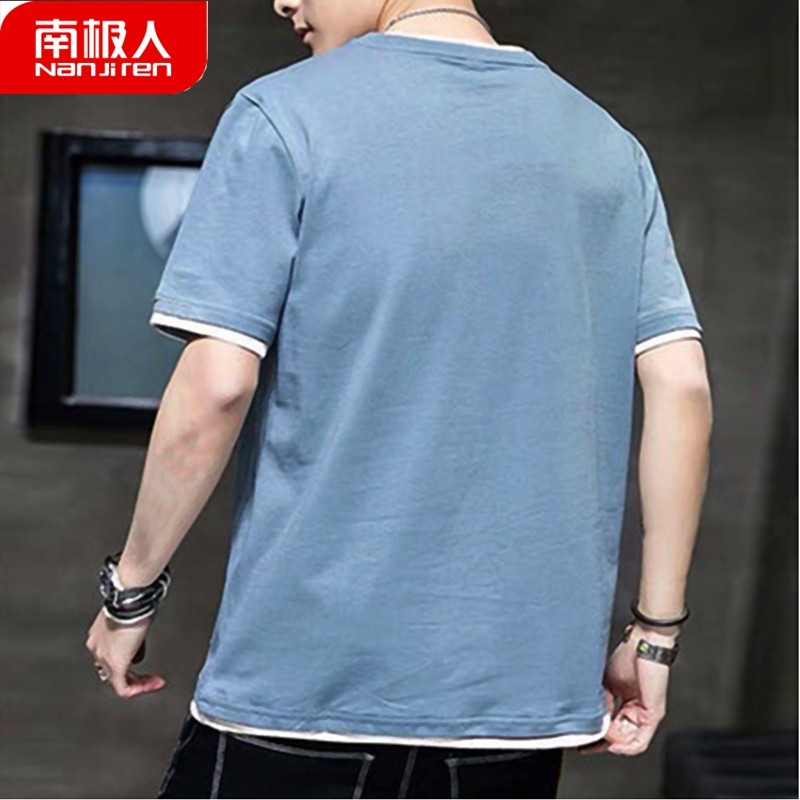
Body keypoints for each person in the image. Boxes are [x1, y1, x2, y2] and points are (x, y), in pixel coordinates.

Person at [84, 1, 714, 797]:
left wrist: (131, 591)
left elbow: (218, 383)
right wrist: (653, 638)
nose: (283, 1)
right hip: (517, 714)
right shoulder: (608, 148)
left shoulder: (283, 114)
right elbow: (683, 387)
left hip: (303, 694)